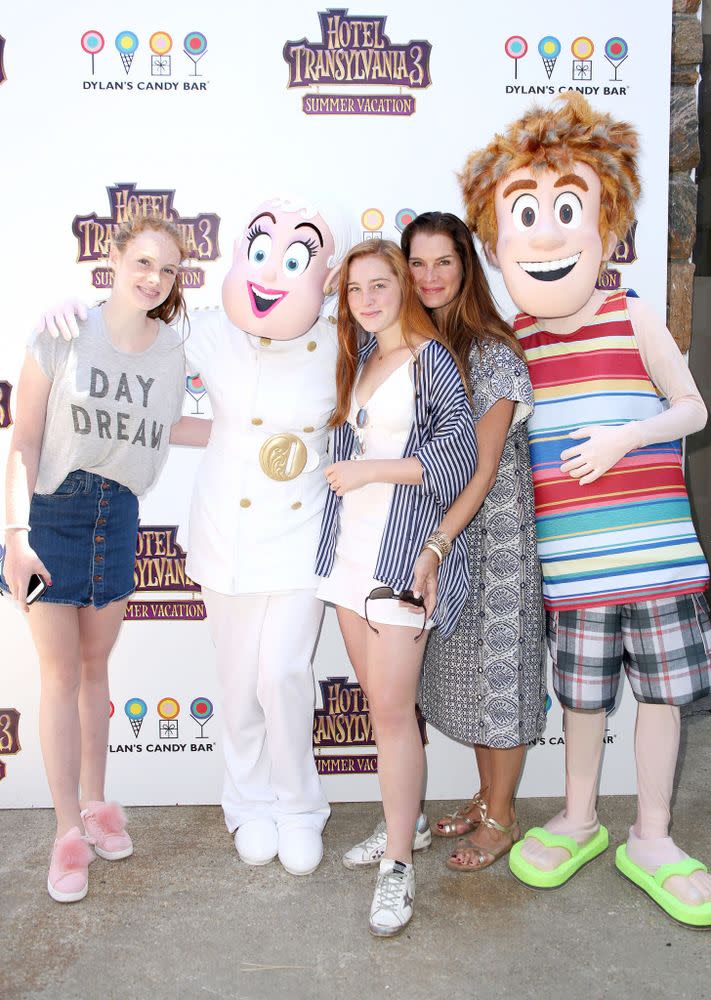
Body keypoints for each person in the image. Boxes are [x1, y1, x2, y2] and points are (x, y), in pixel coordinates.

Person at [37, 195, 355, 878]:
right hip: (225, 536)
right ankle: (246, 804)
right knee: (237, 684)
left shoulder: (341, 341)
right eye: (262, 252)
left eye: (296, 258)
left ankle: (299, 806)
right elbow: (129, 347)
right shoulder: (206, 333)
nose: (273, 272)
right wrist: (62, 317)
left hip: (300, 536)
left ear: (324, 274)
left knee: (285, 677)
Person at [460, 92, 711, 928]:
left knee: (661, 697)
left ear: (604, 224)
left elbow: (692, 410)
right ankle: (576, 817)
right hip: (569, 570)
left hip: (657, 559)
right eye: (524, 214)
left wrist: (624, 438)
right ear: (495, 243)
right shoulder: (513, 346)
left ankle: (650, 834)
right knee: (581, 700)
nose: (545, 233)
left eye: (565, 210)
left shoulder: (632, 314)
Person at [1, 215, 208, 902]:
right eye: (143, 261)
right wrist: (17, 534)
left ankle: (96, 805)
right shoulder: (62, 332)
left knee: (95, 673)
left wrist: (250, 432)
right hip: (52, 512)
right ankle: (66, 833)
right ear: (114, 256)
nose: (154, 278)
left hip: (117, 514)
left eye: (169, 270)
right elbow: (24, 438)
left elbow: (165, 425)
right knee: (59, 676)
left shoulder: (171, 351)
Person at [316, 238, 477, 936]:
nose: (368, 299)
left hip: (400, 562)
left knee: (388, 715)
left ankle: (399, 871)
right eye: (355, 290)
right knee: (389, 717)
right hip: (348, 558)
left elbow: (458, 457)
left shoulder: (431, 360)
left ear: (404, 287)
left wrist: (369, 470)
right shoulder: (360, 358)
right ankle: (399, 826)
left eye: (380, 284)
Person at [408, 212, 546, 871]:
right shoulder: (423, 350)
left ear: (466, 267)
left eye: (443, 261)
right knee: (463, 684)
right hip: (449, 541)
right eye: (417, 263)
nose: (429, 276)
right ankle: (486, 793)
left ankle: (503, 816)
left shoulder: (492, 351)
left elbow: (484, 468)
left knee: (500, 686)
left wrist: (433, 545)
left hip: (495, 551)